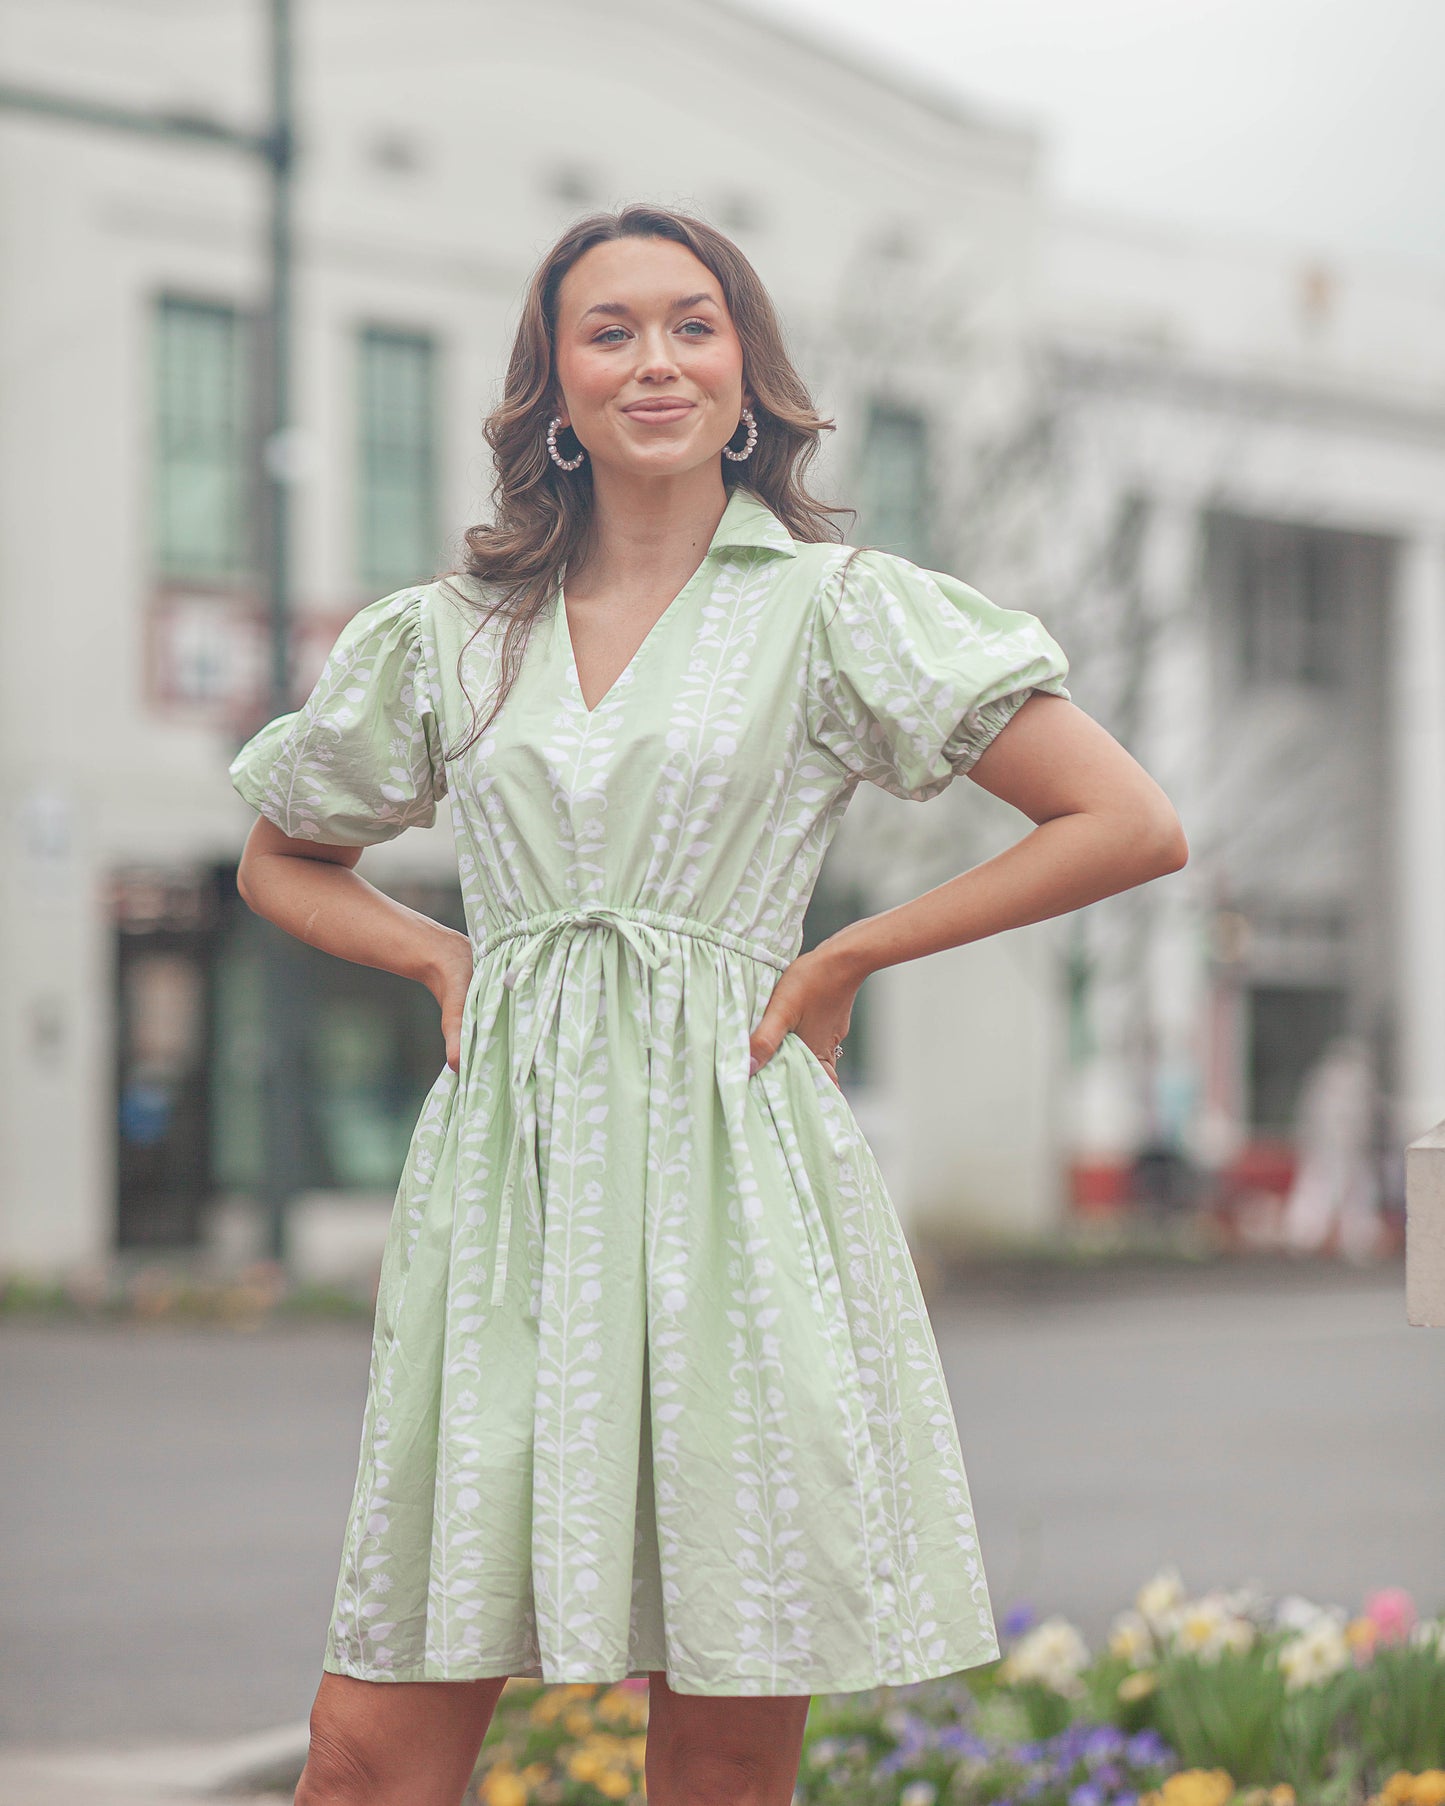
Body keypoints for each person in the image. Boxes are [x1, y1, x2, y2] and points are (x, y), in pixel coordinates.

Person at [230, 203, 1188, 1806]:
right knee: (367, 1740)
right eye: (608, 331)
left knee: (727, 1743)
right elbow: (281, 857)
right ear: (552, 389)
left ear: (747, 375)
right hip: (513, 1192)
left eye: (693, 323)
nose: (654, 360)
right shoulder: (451, 635)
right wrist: (441, 954)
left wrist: (846, 954)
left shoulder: (834, 607)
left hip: (735, 1182)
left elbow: (1127, 822)